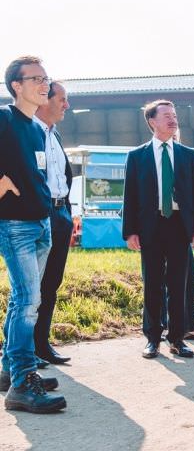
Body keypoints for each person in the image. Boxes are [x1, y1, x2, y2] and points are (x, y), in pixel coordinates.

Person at [0, 56, 66, 413]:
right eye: (37, 78)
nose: (45, 85)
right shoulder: (4, 118)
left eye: (46, 78)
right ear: (16, 86)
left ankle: (10, 369)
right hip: (15, 225)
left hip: (41, 222)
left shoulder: (35, 127)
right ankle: (23, 382)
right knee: (29, 302)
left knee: (22, 299)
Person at [122, 99, 194, 359]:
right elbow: (130, 196)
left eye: (174, 114)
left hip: (179, 224)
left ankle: (177, 339)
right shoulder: (137, 156)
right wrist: (130, 231)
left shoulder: (187, 155)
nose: (173, 119)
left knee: (178, 284)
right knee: (153, 283)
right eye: (166, 115)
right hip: (151, 225)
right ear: (152, 122)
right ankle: (153, 338)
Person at [158, 128, 194, 342]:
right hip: (158, 225)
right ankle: (164, 326)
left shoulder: (185, 157)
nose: (171, 138)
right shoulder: (150, 157)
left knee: (187, 277)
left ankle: (188, 325)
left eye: (175, 136)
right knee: (159, 279)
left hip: (181, 227)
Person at [33, 81, 73, 365]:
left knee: (51, 284)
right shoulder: (26, 131)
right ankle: (21, 350)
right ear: (45, 100)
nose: (66, 105)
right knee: (29, 287)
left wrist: (68, 214)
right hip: (37, 214)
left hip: (60, 215)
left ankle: (41, 344)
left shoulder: (55, 134)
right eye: (62, 99)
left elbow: (63, 178)